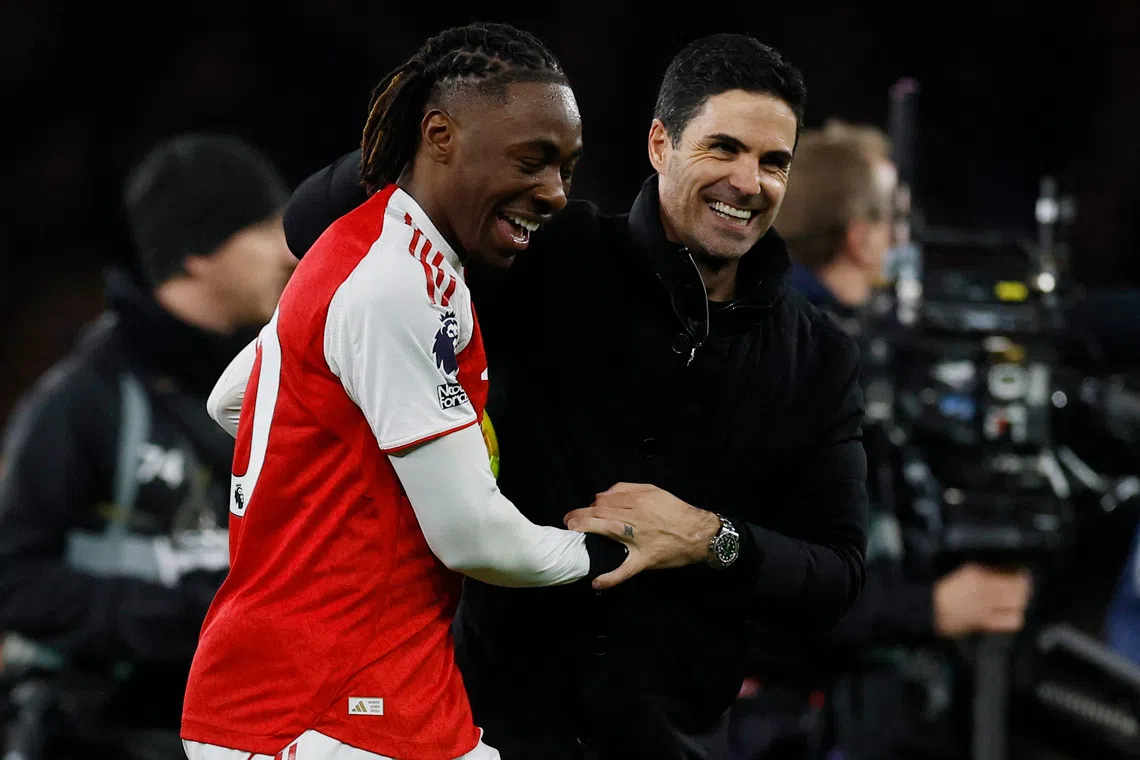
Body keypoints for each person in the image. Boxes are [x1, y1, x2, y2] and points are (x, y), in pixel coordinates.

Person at [248, 33, 869, 760]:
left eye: (773, 163)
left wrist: (709, 538)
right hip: (481, 727)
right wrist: (457, 143)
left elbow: (838, 577)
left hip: (673, 746)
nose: (748, 181)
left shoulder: (819, 356)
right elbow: (312, 227)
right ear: (660, 144)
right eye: (723, 148)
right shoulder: (552, 253)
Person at [181, 23, 632, 760]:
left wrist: (352, 478)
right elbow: (473, 537)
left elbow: (237, 399)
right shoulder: (395, 285)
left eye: (568, 168)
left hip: (363, 684)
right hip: (320, 706)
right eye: (533, 160)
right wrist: (607, 553)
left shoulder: (369, 245)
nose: (554, 193)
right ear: (440, 135)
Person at [727, 123, 1033, 760]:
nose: (907, 241)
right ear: (862, 241)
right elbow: (773, 579)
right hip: (794, 727)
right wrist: (933, 608)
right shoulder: (804, 363)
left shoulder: (781, 339)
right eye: (896, 221)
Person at [0, 133, 295, 759]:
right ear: (197, 253)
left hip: (236, 732)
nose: (289, 255)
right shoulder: (83, 399)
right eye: (266, 229)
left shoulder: (278, 386)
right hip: (97, 731)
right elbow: (14, 578)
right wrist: (182, 617)